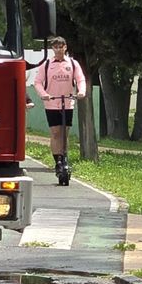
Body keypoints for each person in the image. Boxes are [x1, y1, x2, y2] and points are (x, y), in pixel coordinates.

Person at [32, 37, 87, 181]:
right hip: (52, 103)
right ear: (52, 49)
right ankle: (58, 161)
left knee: (64, 132)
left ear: (65, 47)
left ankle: (64, 157)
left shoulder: (73, 63)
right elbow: (38, 82)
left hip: (68, 102)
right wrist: (44, 94)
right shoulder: (47, 64)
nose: (58, 49)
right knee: (56, 132)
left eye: (60, 46)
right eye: (55, 47)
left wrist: (81, 91)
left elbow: (80, 79)